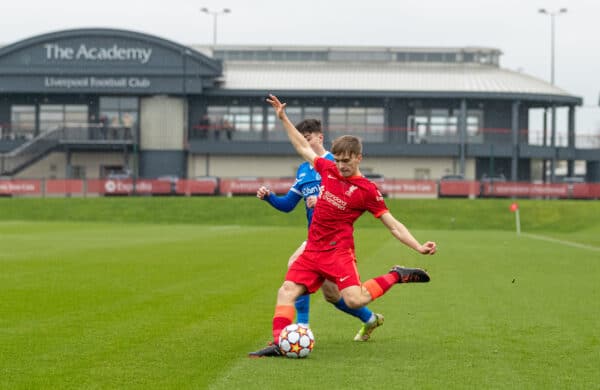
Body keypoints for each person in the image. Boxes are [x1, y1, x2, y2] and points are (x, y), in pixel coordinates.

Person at [249, 95, 437, 357]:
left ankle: (398, 275)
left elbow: (393, 225)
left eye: (346, 161)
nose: (341, 166)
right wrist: (283, 119)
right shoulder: (329, 170)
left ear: (359, 158)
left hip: (338, 253)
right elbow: (303, 148)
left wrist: (418, 246)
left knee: (354, 299)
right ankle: (280, 342)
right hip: (313, 249)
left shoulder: (368, 191)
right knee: (286, 291)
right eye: (337, 160)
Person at [256, 118, 384, 342]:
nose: (304, 142)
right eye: (301, 138)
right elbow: (288, 205)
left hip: (334, 242)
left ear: (319, 137)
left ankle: (301, 327)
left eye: (307, 138)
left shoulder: (335, 163)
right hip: (315, 239)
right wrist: (269, 198)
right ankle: (370, 318)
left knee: (293, 268)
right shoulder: (305, 169)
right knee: (332, 295)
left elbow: (352, 195)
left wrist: (324, 198)